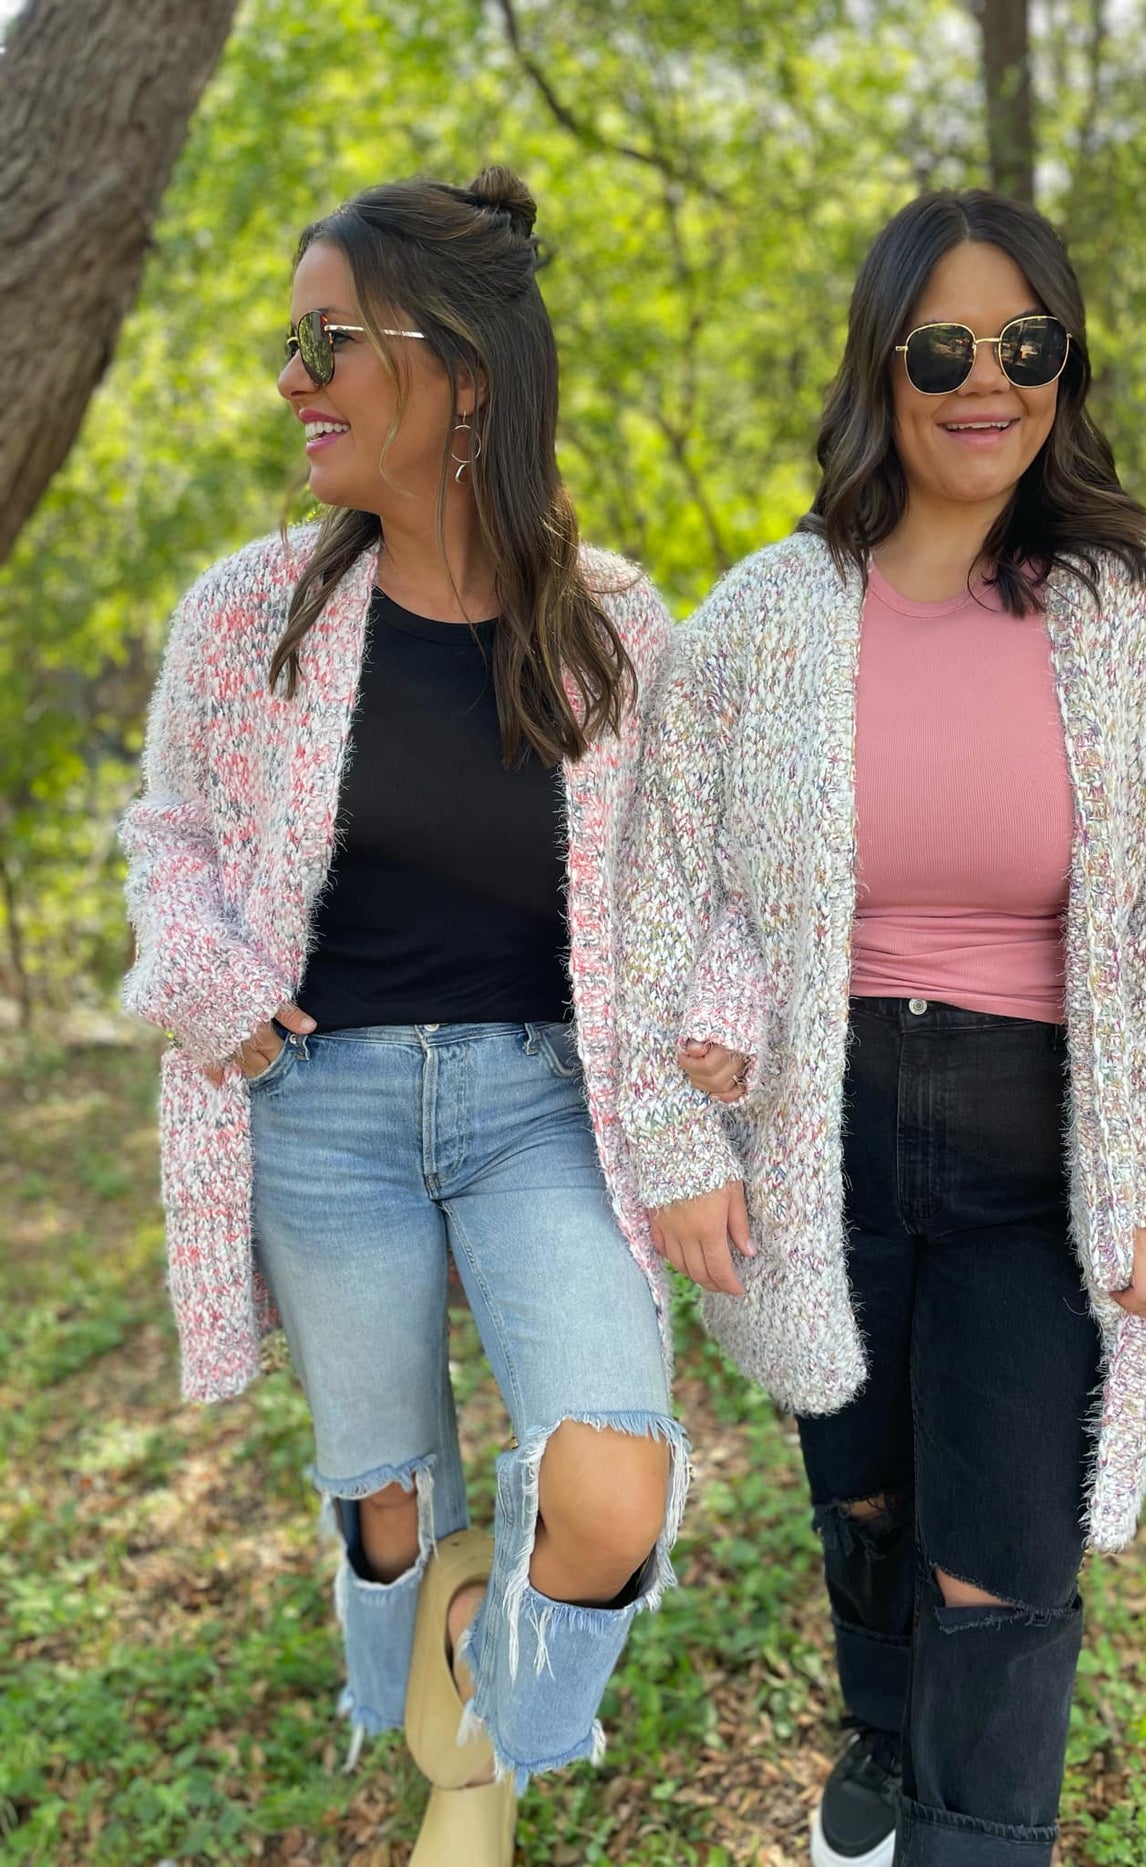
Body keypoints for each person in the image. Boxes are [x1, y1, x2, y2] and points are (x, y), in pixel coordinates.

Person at [616, 188, 1146, 1867]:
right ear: (883, 366)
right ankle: (887, 1759)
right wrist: (684, 1132)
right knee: (871, 1503)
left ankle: (975, 1840)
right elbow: (664, 895)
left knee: (1005, 1563)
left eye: (1027, 343)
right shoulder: (764, 618)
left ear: (1066, 364)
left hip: (1042, 1139)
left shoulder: (1143, 613)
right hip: (816, 1132)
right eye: (947, 346)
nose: (991, 381)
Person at [121, 168, 688, 1867]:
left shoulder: (615, 630)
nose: (292, 380)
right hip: (319, 1108)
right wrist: (210, 982)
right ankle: (448, 1751)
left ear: (460, 377)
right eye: (289, 343)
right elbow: (168, 839)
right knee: (387, 1501)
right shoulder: (247, 613)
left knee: (607, 1481)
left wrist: (717, 1028)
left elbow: (703, 886)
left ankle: (486, 1726)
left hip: (543, 1111)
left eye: (326, 341)